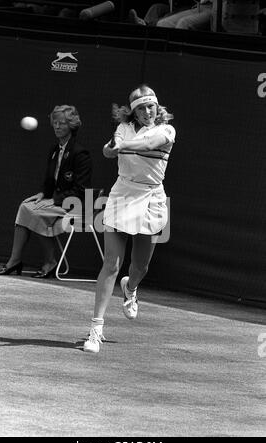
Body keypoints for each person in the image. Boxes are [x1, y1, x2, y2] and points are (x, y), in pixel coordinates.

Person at [83, 84, 175, 353]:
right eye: (141, 108)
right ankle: (95, 329)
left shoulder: (167, 130)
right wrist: (112, 147)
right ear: (133, 112)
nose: (148, 111)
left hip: (152, 198)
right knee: (111, 263)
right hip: (122, 193)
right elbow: (108, 152)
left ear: (157, 107)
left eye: (151, 106)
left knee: (140, 266)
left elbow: (149, 144)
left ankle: (130, 288)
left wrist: (121, 146)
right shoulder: (123, 129)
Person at [0, 105, 92, 278]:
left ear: (71, 126)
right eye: (55, 123)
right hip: (55, 201)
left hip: (75, 205)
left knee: (35, 212)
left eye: (62, 123)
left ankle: (50, 261)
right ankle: (15, 260)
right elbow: (49, 182)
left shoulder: (80, 153)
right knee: (26, 205)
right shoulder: (54, 150)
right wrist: (42, 195)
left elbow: (81, 190)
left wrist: (54, 200)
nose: (57, 126)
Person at [129, 1, 213, 31]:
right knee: (162, 22)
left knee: (183, 22)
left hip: (213, 8)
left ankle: (175, 57)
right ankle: (144, 27)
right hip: (199, 6)